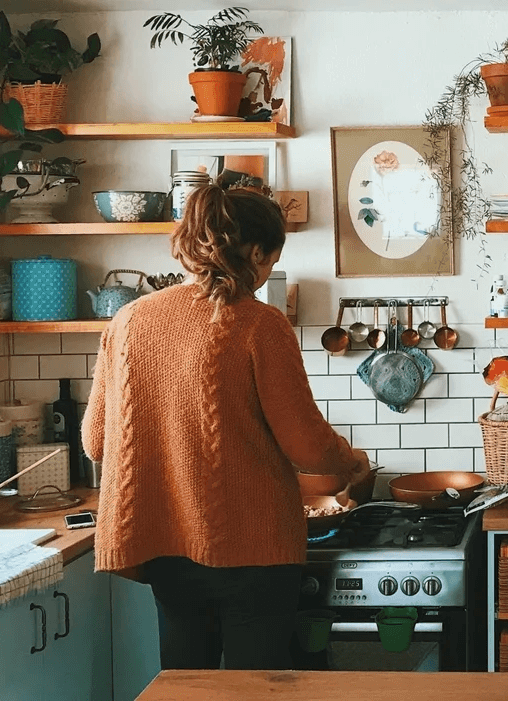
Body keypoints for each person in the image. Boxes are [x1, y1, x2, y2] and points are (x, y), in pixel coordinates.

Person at [83, 182, 369, 671]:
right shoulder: (259, 324)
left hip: (166, 549)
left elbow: (94, 442)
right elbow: (306, 445)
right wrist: (355, 465)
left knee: (186, 682)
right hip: (254, 548)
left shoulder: (128, 321)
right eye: (272, 259)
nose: (269, 271)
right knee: (253, 687)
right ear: (256, 251)